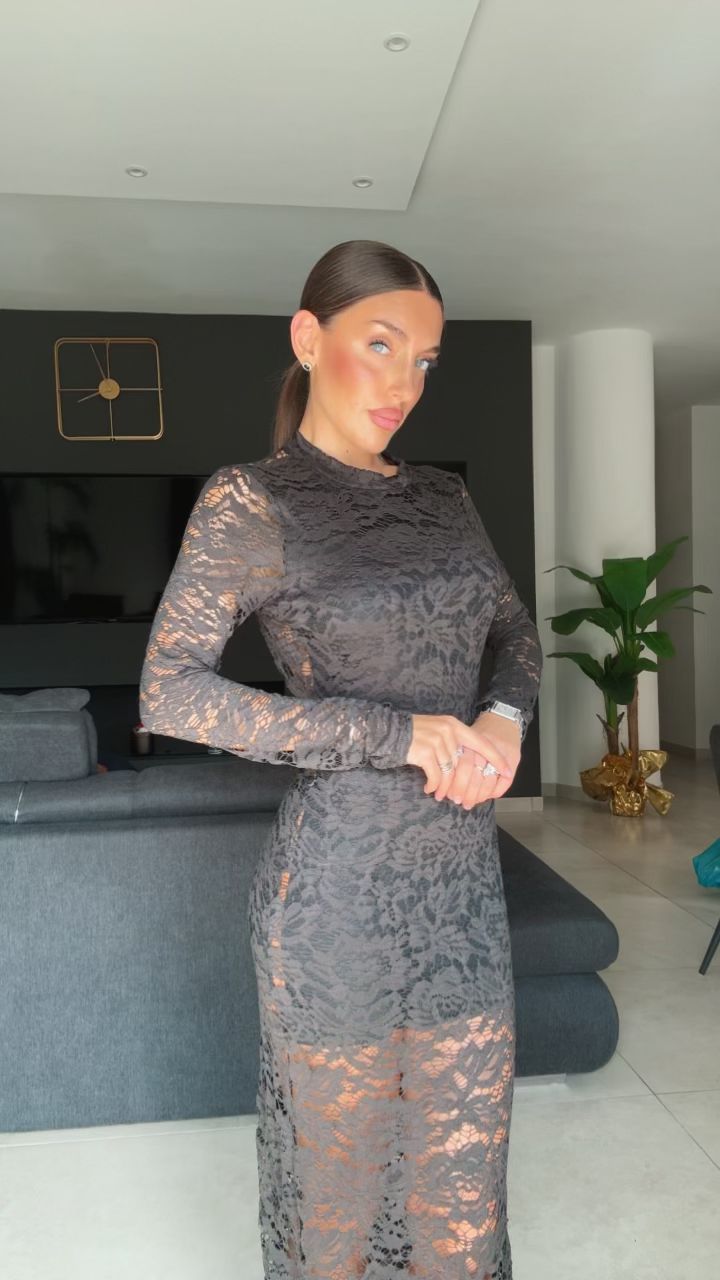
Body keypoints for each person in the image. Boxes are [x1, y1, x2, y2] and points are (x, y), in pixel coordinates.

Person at [139, 239, 543, 1279]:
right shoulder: (252, 501)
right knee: (339, 1214)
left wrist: (503, 718)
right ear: (309, 338)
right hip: (336, 903)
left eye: (427, 360)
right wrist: (398, 733)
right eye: (382, 344)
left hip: (459, 891)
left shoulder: (443, 499)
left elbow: (515, 631)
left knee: (462, 1199)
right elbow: (170, 690)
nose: (406, 382)